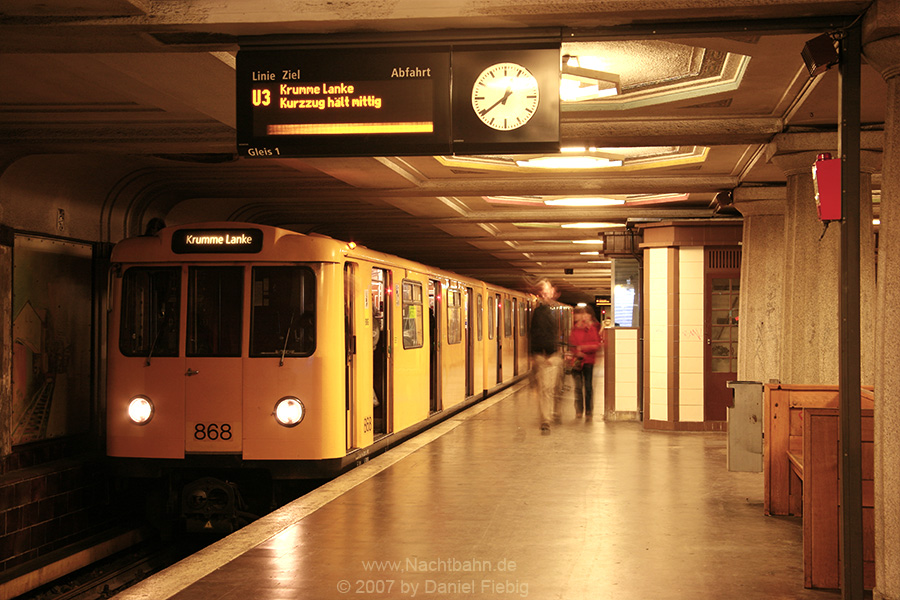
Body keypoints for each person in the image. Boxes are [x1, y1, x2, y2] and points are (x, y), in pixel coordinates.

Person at [530, 279, 562, 434]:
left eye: (548, 289)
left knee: (552, 388)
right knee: (546, 390)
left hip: (553, 354)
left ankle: (551, 414)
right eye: (543, 290)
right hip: (546, 355)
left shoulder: (554, 309)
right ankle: (546, 419)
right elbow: (538, 334)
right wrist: (541, 354)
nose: (546, 293)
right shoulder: (540, 311)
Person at [569, 307, 602, 419]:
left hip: (588, 361)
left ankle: (588, 410)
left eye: (585, 314)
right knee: (578, 387)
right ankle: (579, 410)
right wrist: (576, 352)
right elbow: (571, 344)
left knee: (588, 387)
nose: (583, 317)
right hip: (577, 362)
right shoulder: (574, 329)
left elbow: (596, 345)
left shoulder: (591, 329)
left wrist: (582, 348)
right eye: (581, 315)